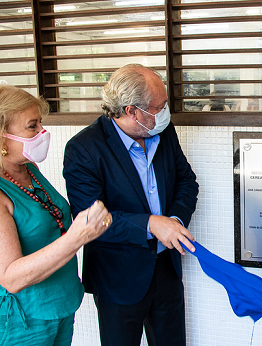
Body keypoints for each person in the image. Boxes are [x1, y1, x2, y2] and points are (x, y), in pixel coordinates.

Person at [63, 64, 199, 346]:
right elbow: (90, 220)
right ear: (132, 111)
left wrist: (174, 219)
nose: (165, 113)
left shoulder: (164, 132)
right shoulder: (84, 149)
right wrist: (151, 224)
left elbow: (187, 182)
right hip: (118, 279)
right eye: (159, 107)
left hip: (166, 269)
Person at [0, 85, 111, 345]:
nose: (42, 133)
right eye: (32, 126)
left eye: (41, 123)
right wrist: (77, 237)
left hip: (62, 304)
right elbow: (12, 277)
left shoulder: (30, 170)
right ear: (3, 136)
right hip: (26, 320)